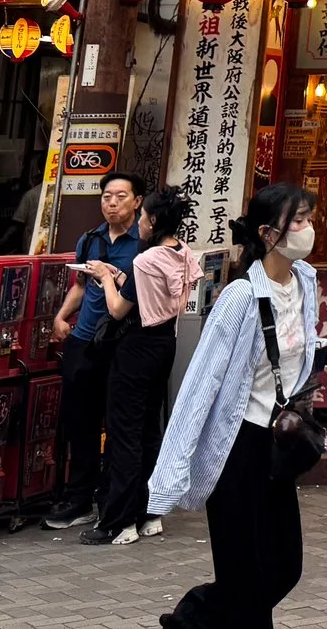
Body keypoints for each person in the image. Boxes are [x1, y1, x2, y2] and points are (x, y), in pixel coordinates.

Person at [149, 181, 327, 629]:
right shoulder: (240, 298)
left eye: (309, 218)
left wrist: (324, 351)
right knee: (247, 577)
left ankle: (191, 620)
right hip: (236, 447)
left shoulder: (305, 281)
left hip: (277, 445)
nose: (308, 229)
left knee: (284, 567)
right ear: (268, 233)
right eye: (299, 221)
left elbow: (293, 352)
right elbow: (199, 385)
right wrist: (170, 475)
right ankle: (195, 618)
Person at [91, 186, 196, 546]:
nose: (139, 223)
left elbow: (118, 309)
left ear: (152, 220)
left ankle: (119, 521)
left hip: (137, 348)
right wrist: (120, 279)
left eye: (143, 216)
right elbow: (149, 294)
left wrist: (106, 278)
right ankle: (150, 513)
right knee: (150, 429)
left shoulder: (146, 259)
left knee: (125, 434)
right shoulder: (182, 252)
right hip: (165, 343)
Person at [45, 170, 143, 529]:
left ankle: (113, 499)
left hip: (123, 344)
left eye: (120, 196)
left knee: (119, 425)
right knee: (80, 421)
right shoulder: (90, 239)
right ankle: (79, 498)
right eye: (106, 197)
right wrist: (61, 316)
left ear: (137, 201)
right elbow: (81, 286)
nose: (112, 203)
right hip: (84, 341)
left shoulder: (145, 244)